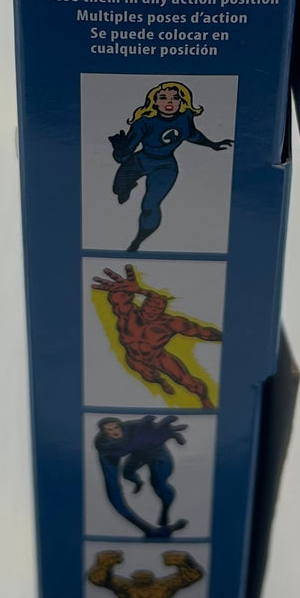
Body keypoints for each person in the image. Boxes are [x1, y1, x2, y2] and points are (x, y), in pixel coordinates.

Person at [109, 81, 232, 250]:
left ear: (182, 101)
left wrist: (213, 144)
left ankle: (138, 241)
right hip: (140, 161)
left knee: (150, 205)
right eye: (163, 98)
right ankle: (127, 186)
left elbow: (192, 134)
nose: (169, 102)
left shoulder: (184, 117)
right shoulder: (144, 122)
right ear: (154, 101)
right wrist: (121, 150)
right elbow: (124, 155)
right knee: (117, 189)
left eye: (175, 98)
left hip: (165, 166)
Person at [92, 263, 221, 409]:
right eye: (150, 306)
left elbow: (203, 333)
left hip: (158, 358)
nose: (152, 311)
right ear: (144, 305)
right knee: (151, 377)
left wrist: (226, 337)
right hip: (134, 358)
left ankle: (205, 401)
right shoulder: (129, 315)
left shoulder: (170, 323)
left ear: (163, 310)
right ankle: (162, 382)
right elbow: (118, 299)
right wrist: (128, 289)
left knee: (190, 383)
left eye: (158, 309)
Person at [93, 413, 188, 538]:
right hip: (138, 454)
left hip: (156, 452)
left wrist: (166, 434)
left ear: (121, 427)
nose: (115, 432)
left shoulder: (137, 428)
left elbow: (155, 429)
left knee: (158, 484)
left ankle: (165, 509)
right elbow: (113, 491)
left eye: (116, 428)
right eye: (109, 431)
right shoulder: (105, 448)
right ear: (104, 434)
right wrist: (145, 528)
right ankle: (138, 482)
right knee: (127, 473)